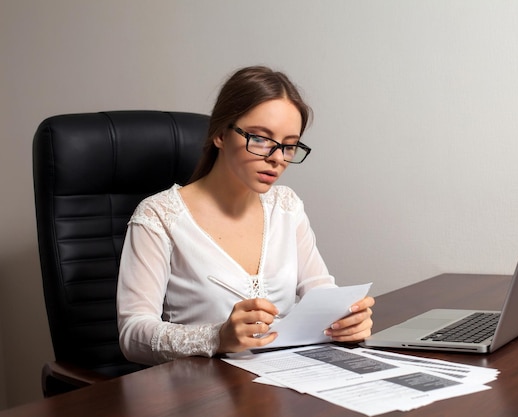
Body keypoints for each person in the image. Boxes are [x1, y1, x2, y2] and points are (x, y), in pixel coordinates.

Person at [117, 66, 375, 365]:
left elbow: (321, 292)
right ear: (220, 135)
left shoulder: (286, 207)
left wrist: (346, 320)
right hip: (201, 393)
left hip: (285, 383)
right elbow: (132, 334)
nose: (277, 157)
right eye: (261, 138)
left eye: (289, 145)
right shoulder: (159, 216)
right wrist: (217, 337)